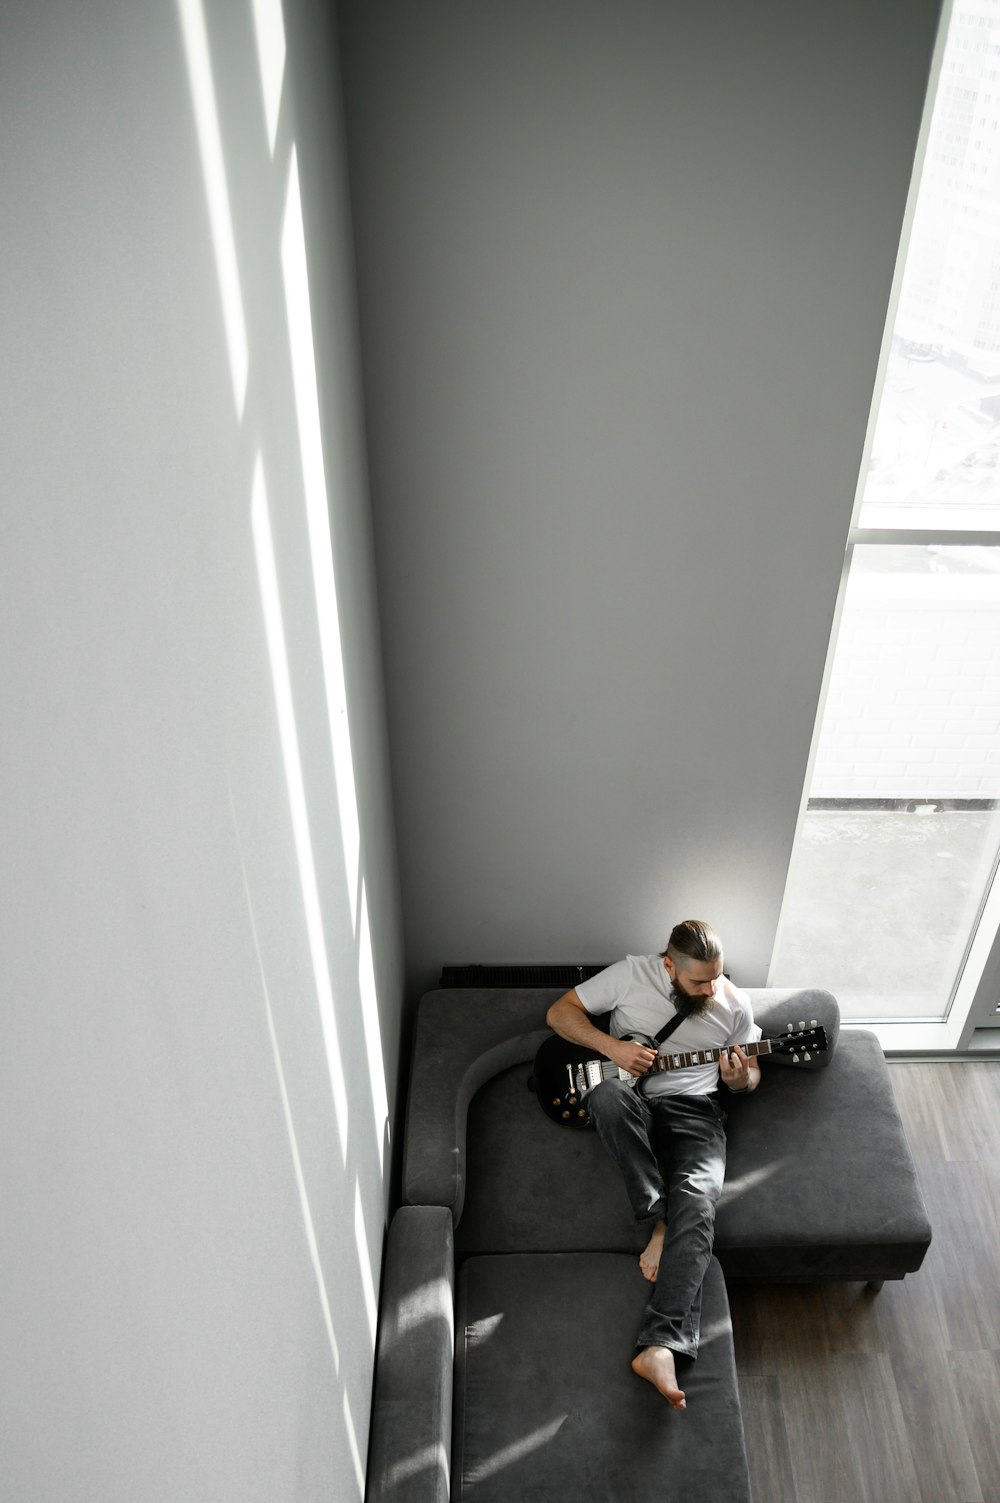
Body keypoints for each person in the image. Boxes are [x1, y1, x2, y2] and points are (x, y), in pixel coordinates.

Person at [545, 919, 761, 1412]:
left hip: (695, 1108)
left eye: (717, 977)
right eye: (699, 982)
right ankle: (659, 1217)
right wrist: (612, 1047)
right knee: (605, 1096)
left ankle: (661, 1345)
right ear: (669, 965)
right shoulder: (630, 975)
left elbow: (751, 1073)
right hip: (630, 1097)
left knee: (701, 1202)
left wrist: (738, 1080)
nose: (712, 989)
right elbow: (561, 1013)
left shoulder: (733, 1003)